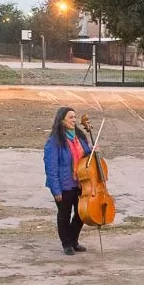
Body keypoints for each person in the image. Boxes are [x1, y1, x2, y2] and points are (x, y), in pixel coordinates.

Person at [43, 106, 92, 256]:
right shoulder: (54, 141)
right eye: (70, 117)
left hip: (80, 182)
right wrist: (56, 189)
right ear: (62, 120)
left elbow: (86, 155)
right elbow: (51, 167)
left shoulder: (79, 137)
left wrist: (93, 150)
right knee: (64, 215)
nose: (74, 120)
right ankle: (67, 243)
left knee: (81, 213)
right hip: (64, 184)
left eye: (75, 117)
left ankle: (73, 240)